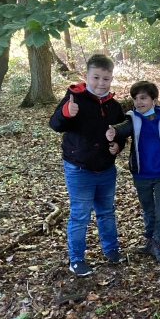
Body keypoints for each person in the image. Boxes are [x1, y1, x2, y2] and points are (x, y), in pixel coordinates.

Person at [49, 53, 126, 277]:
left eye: (106, 79)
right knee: (80, 215)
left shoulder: (114, 105)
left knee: (106, 212)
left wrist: (118, 145)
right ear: (86, 76)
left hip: (106, 168)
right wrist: (66, 113)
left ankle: (111, 250)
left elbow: (121, 131)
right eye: (96, 78)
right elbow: (55, 124)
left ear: (111, 78)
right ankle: (77, 259)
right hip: (79, 168)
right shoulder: (74, 98)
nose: (101, 83)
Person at [106, 81, 160, 264]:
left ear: (154, 100)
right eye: (135, 98)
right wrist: (114, 132)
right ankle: (150, 241)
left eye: (143, 98)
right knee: (149, 211)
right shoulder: (133, 118)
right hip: (141, 176)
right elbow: (123, 128)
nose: (138, 102)